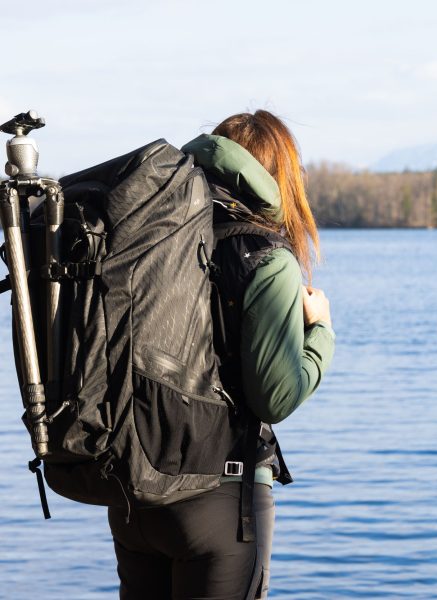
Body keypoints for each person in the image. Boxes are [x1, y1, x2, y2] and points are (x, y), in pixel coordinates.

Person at [108, 110, 335, 600]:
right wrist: (321, 333)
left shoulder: (157, 240)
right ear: (279, 179)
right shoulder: (267, 258)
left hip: (135, 493)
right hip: (218, 500)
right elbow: (275, 397)